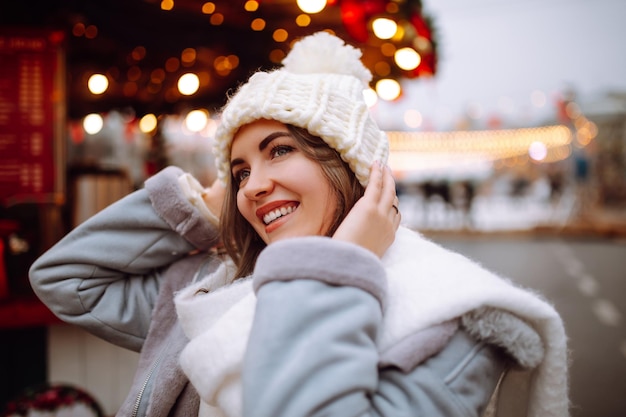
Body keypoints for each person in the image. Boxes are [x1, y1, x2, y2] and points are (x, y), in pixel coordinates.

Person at [29, 32, 570, 417]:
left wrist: (339, 267)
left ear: (352, 166)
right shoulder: (215, 291)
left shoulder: (448, 323)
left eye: (279, 150)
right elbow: (66, 279)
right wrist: (197, 202)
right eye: (240, 171)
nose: (253, 186)